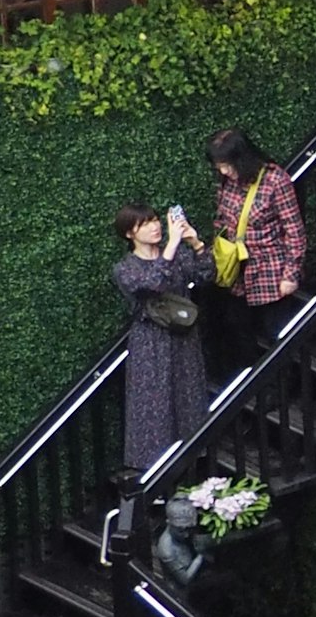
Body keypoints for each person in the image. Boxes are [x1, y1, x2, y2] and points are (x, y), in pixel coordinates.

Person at [112, 204, 213, 474]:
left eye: (156, 221)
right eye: (145, 224)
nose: (155, 227)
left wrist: (195, 242)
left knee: (188, 395)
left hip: (183, 337)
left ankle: (194, 464)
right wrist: (172, 247)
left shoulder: (178, 254)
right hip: (150, 341)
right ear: (129, 234)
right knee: (152, 403)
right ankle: (152, 472)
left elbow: (206, 275)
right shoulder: (125, 268)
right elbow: (150, 285)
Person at [205, 128, 305, 378]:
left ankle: (284, 384)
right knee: (238, 326)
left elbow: (294, 230)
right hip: (239, 270)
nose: (223, 171)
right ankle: (251, 379)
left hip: (270, 269)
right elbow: (221, 220)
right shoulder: (226, 182)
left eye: (226, 165)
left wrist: (290, 274)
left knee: (275, 332)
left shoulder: (275, 180)